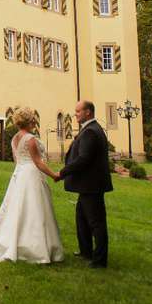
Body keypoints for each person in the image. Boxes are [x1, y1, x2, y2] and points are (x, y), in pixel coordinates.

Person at [0, 107, 64, 264]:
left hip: (19, 174)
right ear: (29, 122)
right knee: (34, 210)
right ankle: (35, 249)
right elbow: (38, 162)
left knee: (16, 209)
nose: (34, 122)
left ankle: (12, 242)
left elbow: (17, 160)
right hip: (31, 174)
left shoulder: (14, 139)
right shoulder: (30, 139)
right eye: (33, 120)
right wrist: (54, 175)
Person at [56, 100, 112, 268]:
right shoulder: (91, 129)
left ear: (88, 112)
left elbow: (84, 159)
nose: (75, 114)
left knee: (96, 222)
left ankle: (100, 260)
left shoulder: (91, 131)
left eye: (78, 111)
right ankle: (86, 251)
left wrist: (63, 172)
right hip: (88, 185)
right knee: (82, 218)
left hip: (91, 185)